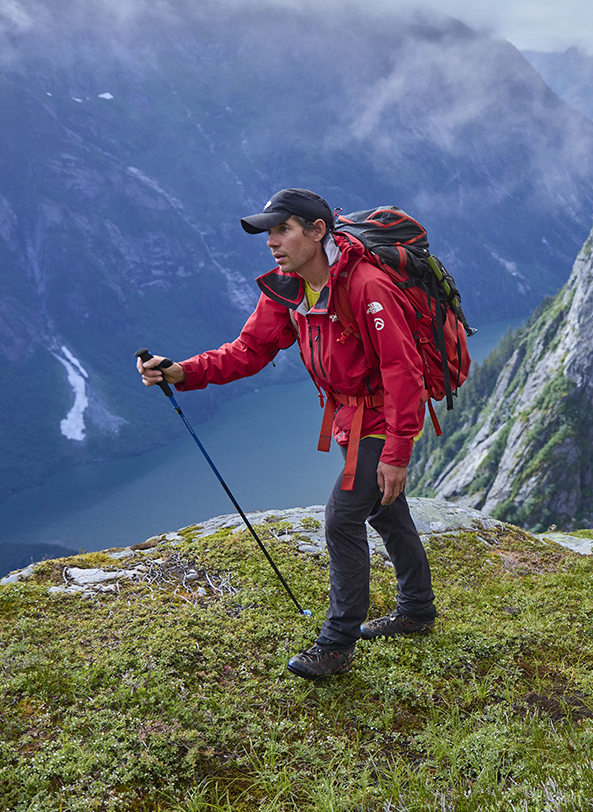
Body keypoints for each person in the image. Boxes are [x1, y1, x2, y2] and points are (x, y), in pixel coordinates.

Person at [137, 187, 437, 680]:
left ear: (318, 231)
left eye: (283, 230)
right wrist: (181, 372)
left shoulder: (366, 287)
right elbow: (249, 351)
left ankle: (337, 644)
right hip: (350, 419)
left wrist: (398, 452)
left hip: (385, 419)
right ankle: (417, 610)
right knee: (384, 510)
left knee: (343, 516)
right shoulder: (289, 287)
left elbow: (404, 373)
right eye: (269, 232)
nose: (273, 242)